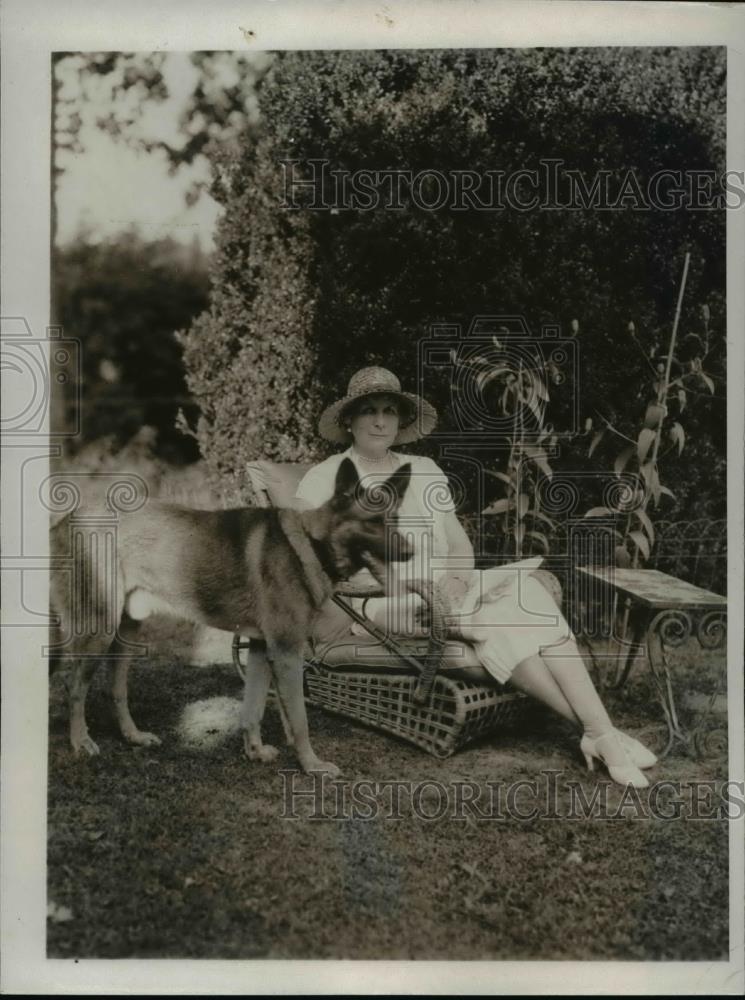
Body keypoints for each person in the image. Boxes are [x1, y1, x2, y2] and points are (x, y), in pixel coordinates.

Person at [295, 366, 657, 788]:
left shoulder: (424, 469)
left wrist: (458, 583)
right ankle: (604, 735)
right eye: (369, 411)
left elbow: (460, 546)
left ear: (400, 420)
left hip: (449, 589)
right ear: (349, 420)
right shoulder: (325, 478)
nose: (380, 421)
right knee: (503, 619)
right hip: (382, 601)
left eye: (389, 411)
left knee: (524, 597)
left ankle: (598, 734)